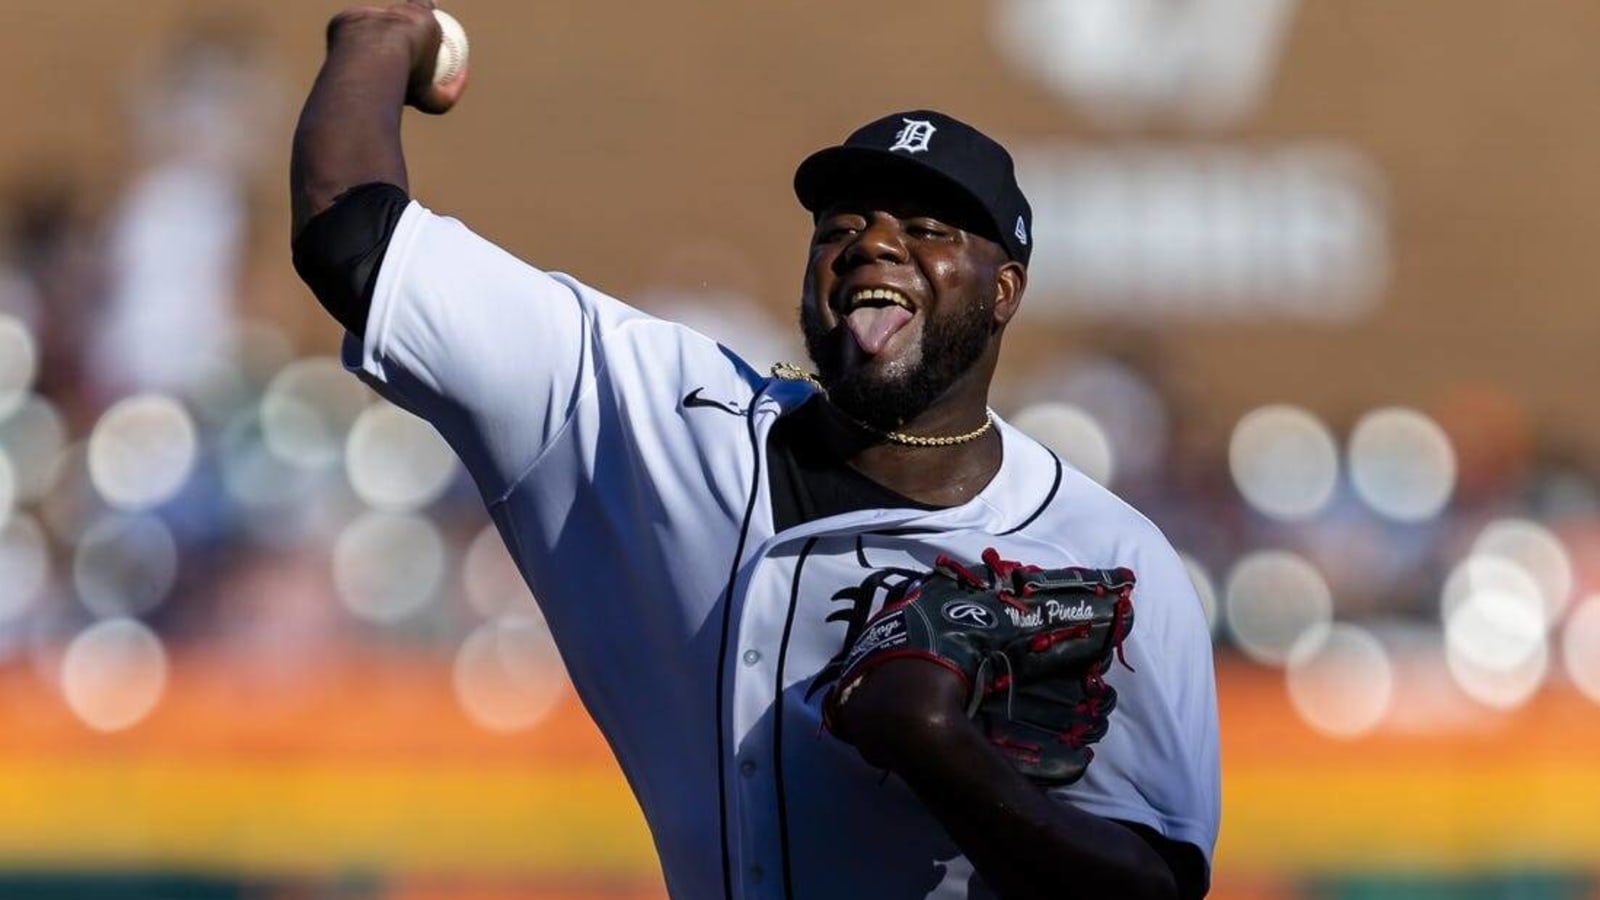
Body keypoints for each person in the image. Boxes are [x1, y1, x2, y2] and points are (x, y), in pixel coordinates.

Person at [289, 3, 1220, 897]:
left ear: (1005, 289)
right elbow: (352, 237)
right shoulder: (654, 417)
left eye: (929, 230)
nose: (875, 246)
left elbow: (1157, 880)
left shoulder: (1107, 555)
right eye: (843, 226)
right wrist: (378, 35)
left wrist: (949, 757)